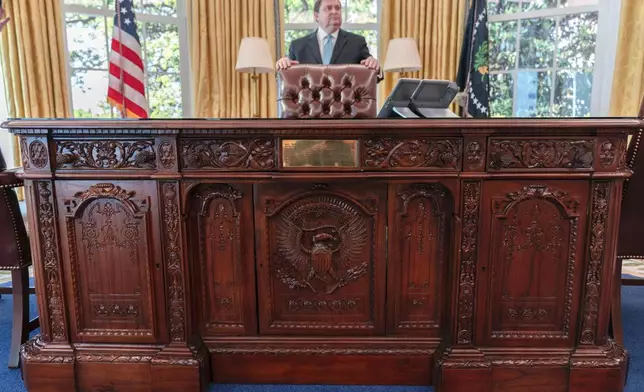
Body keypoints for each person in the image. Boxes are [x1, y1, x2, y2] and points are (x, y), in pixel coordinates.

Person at [275, 0, 381, 79]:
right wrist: (283, 64)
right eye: (328, 8)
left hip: (346, 106)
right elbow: (286, 79)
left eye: (337, 8)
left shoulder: (357, 43)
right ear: (316, 16)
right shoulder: (297, 46)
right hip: (309, 106)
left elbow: (374, 76)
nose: (334, 12)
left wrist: (374, 65)